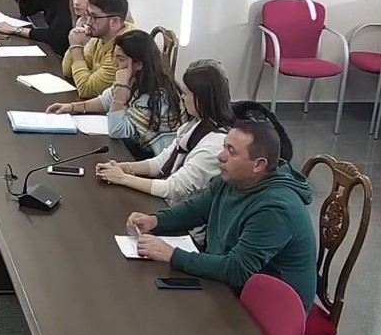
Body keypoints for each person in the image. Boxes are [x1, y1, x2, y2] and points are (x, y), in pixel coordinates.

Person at [125, 119, 317, 311]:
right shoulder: (234, 179)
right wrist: (155, 220)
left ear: (258, 165)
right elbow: (196, 210)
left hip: (275, 308)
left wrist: (172, 254)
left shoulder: (276, 208)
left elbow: (237, 270)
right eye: (224, 147)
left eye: (231, 151)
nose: (221, 156)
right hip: (232, 286)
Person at [96, 59, 234, 204]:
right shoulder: (194, 125)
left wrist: (122, 178)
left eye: (186, 93)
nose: (182, 97)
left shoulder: (215, 145)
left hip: (178, 211)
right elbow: (162, 162)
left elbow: (173, 188)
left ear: (200, 98)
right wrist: (124, 167)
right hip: (166, 200)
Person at [49, 29, 186, 159]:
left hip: (153, 159)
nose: (115, 64)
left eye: (120, 59)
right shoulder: (136, 81)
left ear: (139, 65)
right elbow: (105, 100)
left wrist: (121, 88)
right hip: (134, 148)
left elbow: (117, 130)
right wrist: (72, 107)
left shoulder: (157, 97)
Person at [61, 0, 137, 98]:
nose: (88, 22)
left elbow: (86, 90)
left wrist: (76, 47)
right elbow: (67, 71)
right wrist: (75, 44)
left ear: (114, 22)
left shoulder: (124, 49)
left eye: (94, 17)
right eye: (88, 15)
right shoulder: (100, 36)